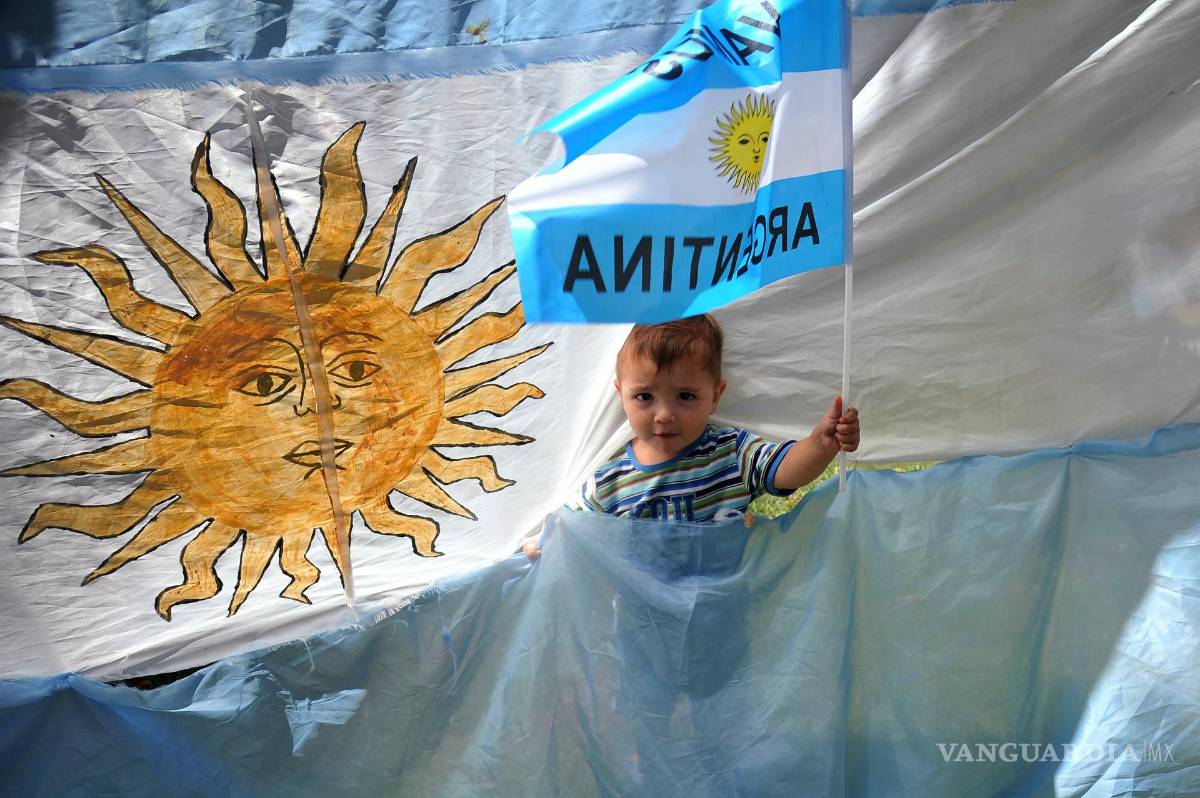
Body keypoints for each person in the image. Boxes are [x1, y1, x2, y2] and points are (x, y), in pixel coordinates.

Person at [573, 313, 859, 522]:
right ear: (621, 394)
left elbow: (784, 471)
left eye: (685, 396)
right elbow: (575, 539)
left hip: (727, 589)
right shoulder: (607, 478)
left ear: (715, 396)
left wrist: (819, 445)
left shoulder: (731, 452)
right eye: (644, 397)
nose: (664, 415)